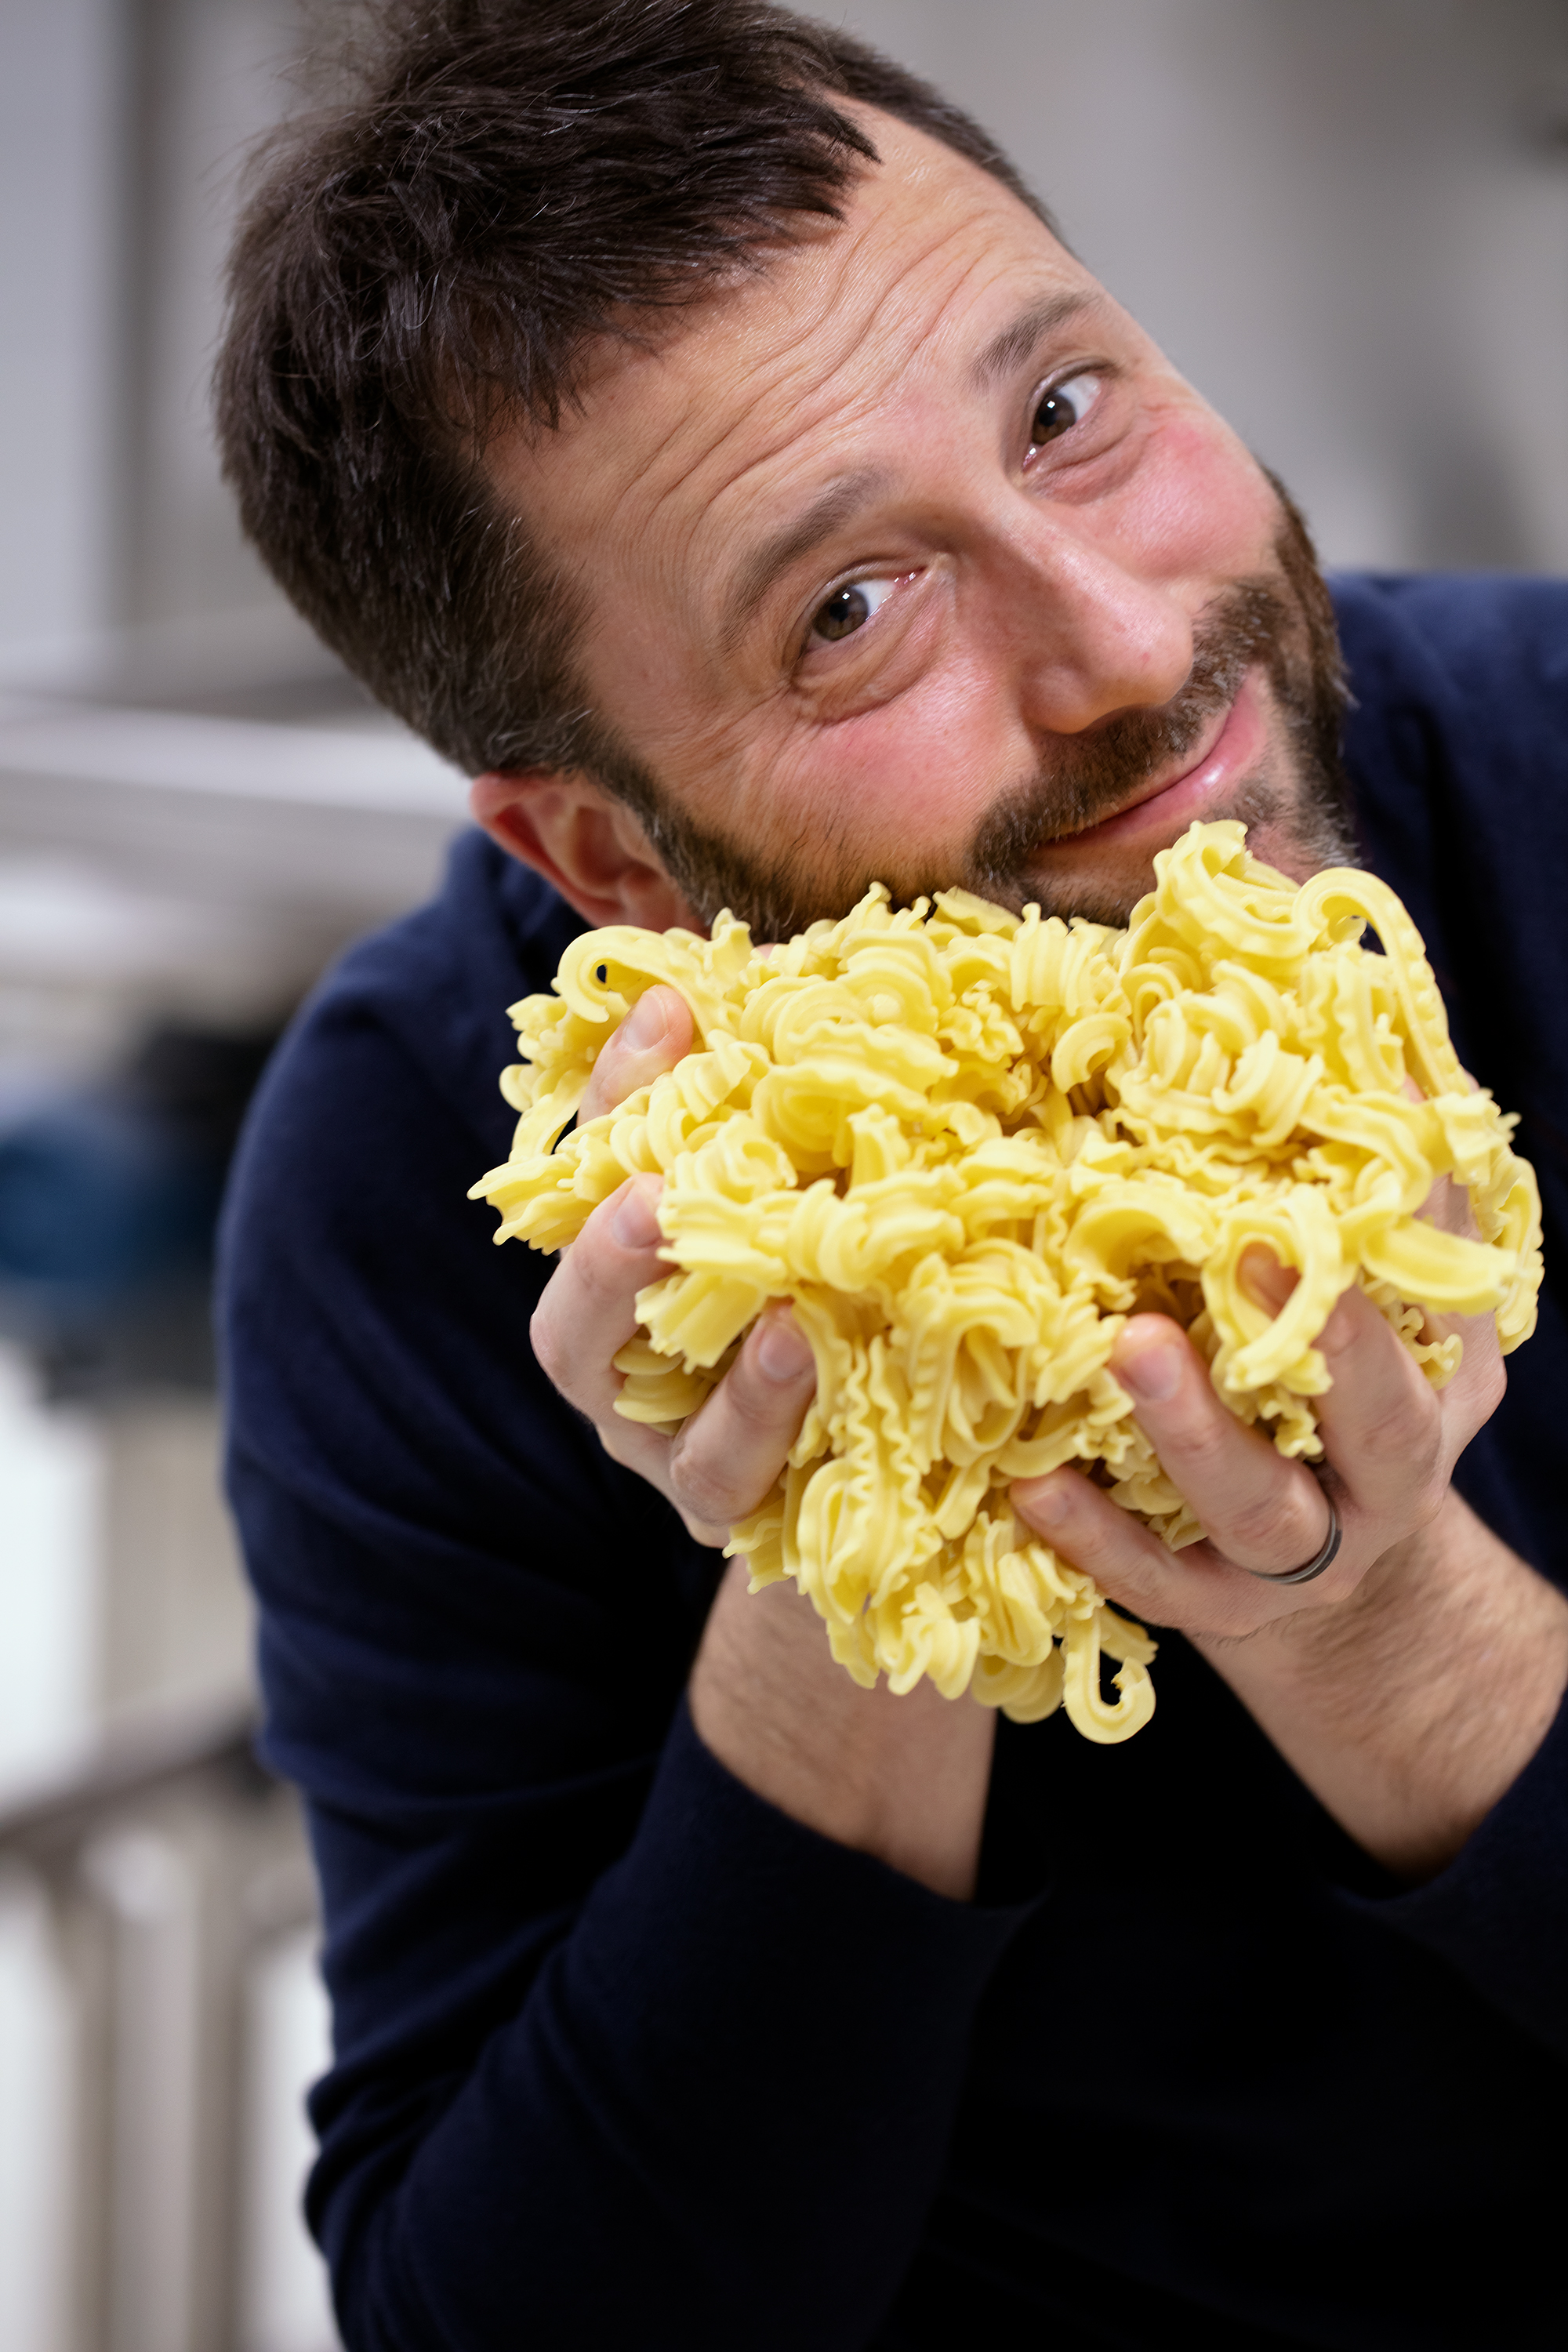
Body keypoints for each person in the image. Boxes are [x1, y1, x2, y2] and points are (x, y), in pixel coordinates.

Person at [215, 5, 1568, 2346]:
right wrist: (862, 1552)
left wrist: (1372, 1616)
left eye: (1067, 410)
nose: (1132, 643)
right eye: (849, 612)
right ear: (608, 852)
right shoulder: (421, 1178)